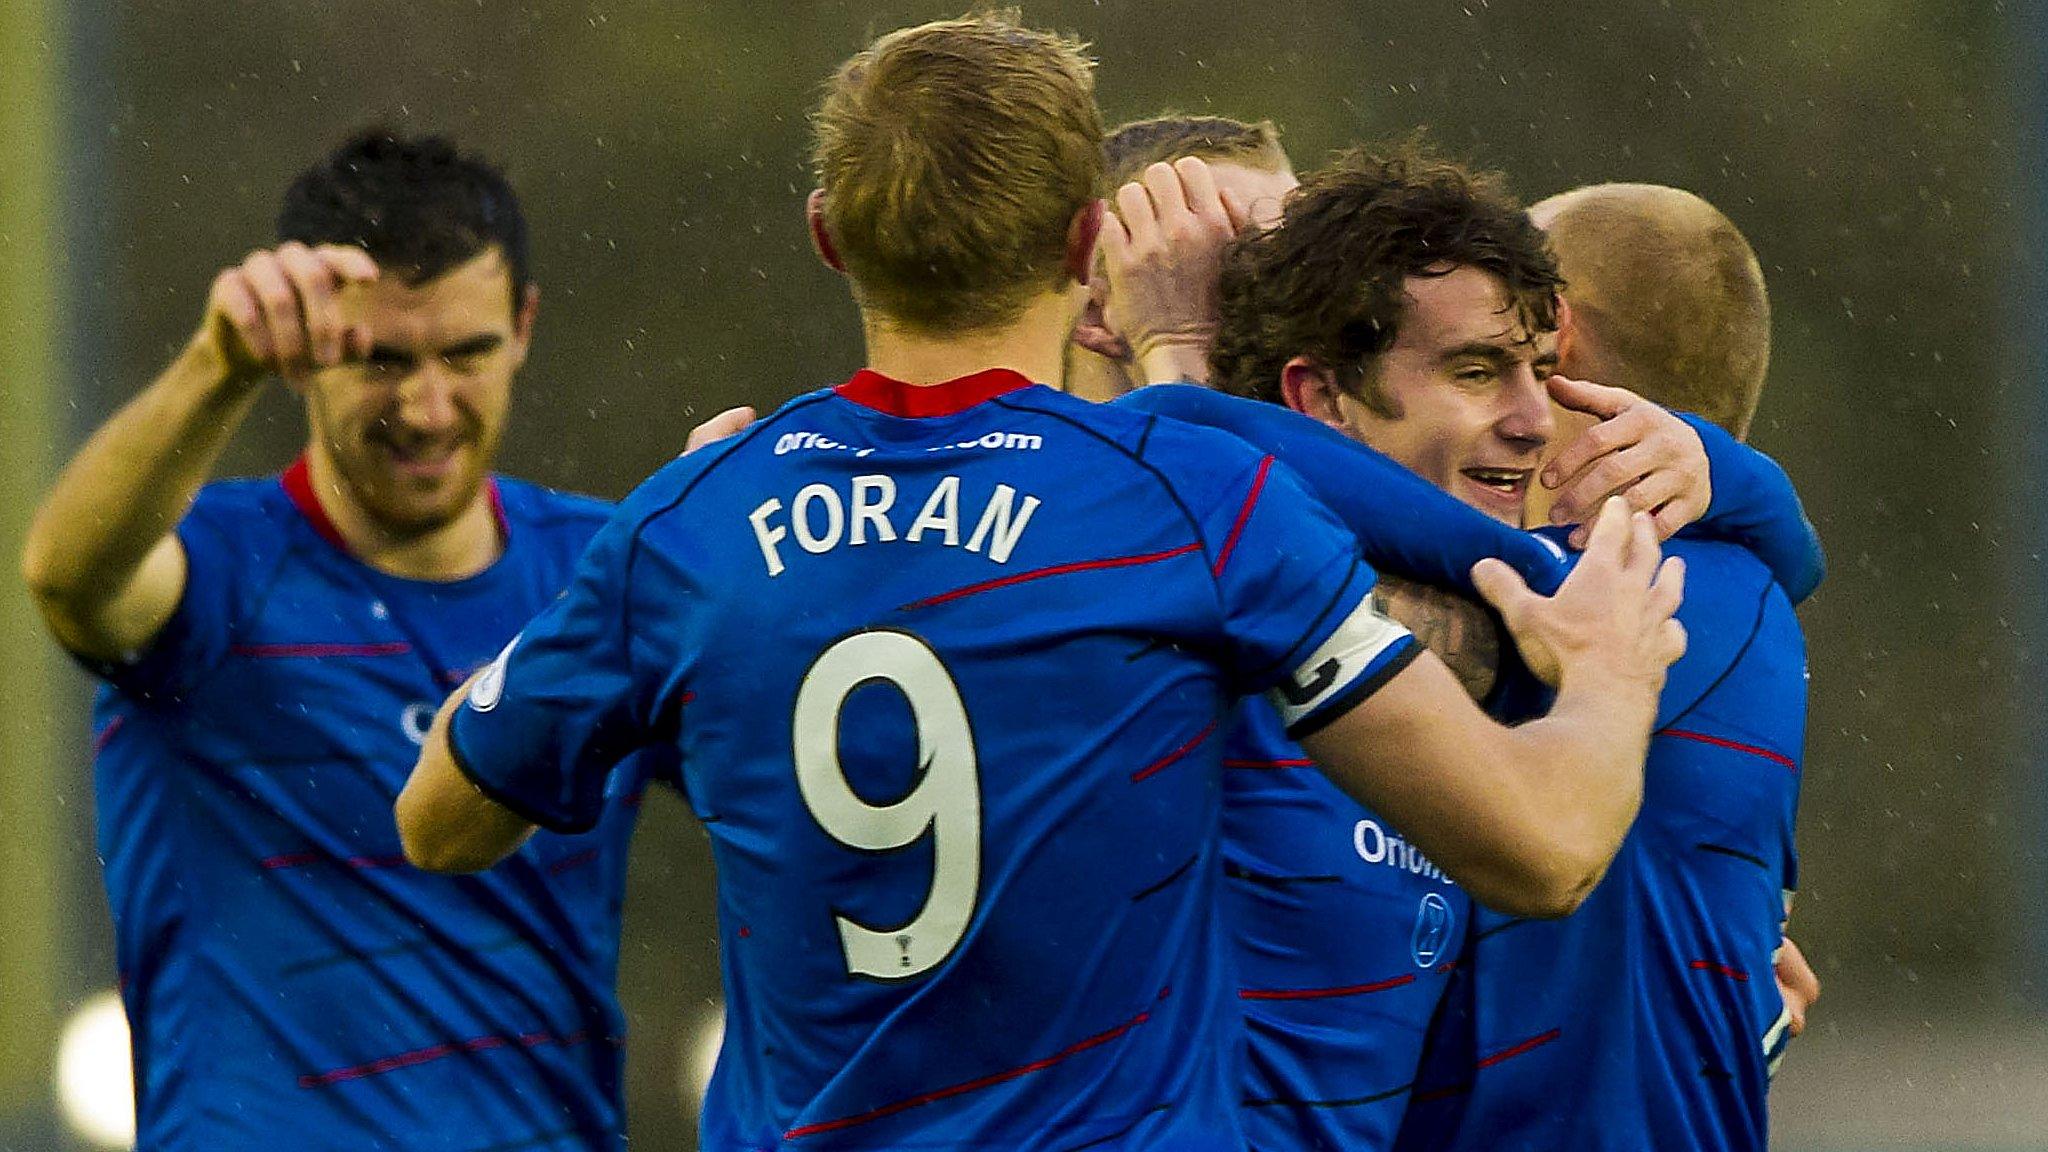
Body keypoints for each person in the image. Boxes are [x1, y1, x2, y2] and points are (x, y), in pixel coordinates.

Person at [394, 14, 1686, 1151]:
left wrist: (638, 589)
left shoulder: (688, 526)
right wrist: (1615, 676)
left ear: (828, 236)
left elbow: (438, 820)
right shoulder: (1191, 503)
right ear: (1086, 247)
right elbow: (1545, 848)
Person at [1114, 151, 1809, 1151]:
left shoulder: (1637, 594)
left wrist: (1177, 373)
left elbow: (1371, 561)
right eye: (1480, 364)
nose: (1524, 418)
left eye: (1529, 353)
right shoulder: (1732, 585)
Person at [20, 131, 650, 1150]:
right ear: (307, 357)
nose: (426, 405)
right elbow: (69, 576)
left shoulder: (608, 576)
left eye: (466, 353)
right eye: (381, 361)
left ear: (524, 326)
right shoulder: (216, 571)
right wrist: (216, 366)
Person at [1389, 182, 1811, 1152]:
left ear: (1553, 334)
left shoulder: (1611, 590)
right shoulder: (1745, 588)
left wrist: (1188, 385)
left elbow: (1294, 532)